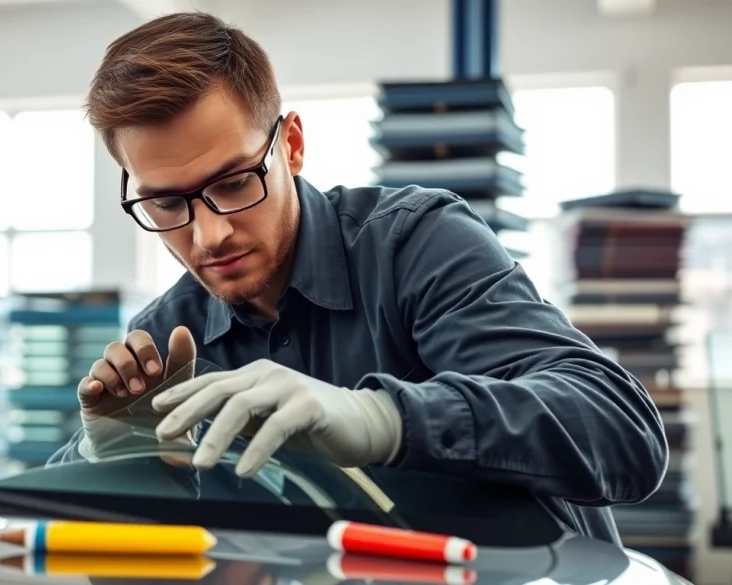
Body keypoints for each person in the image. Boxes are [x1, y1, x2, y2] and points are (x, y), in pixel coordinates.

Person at [51, 11, 668, 544]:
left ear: (291, 146)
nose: (209, 236)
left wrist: (385, 420)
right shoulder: (167, 335)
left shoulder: (417, 243)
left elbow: (623, 430)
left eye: (235, 183)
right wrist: (110, 464)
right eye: (166, 203)